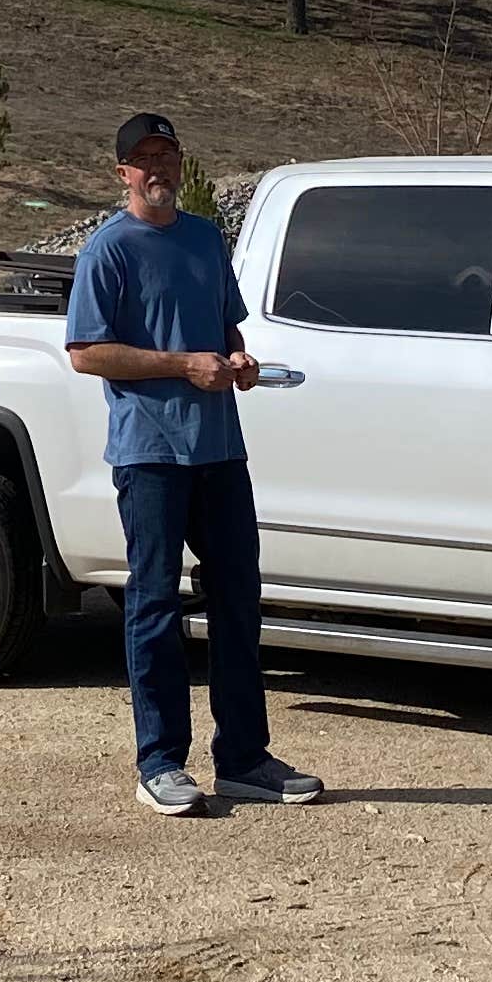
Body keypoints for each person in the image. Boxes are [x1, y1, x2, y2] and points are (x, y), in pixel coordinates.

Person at [62, 113, 324, 817]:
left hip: (220, 451)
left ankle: (244, 759)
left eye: (167, 155)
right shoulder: (108, 252)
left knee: (239, 602)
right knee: (153, 606)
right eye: (143, 158)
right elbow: (87, 352)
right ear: (122, 172)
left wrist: (237, 360)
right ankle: (160, 762)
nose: (158, 169)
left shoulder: (207, 240)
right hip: (151, 455)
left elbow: (223, 325)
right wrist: (182, 365)